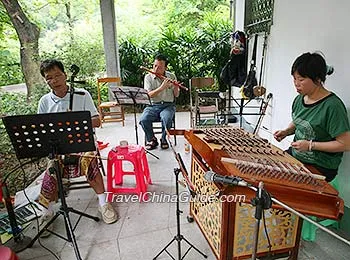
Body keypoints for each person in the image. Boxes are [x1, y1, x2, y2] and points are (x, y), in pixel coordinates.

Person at [37, 59, 118, 235]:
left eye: (58, 75)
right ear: (45, 80)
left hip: (82, 142)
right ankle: (47, 211)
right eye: (49, 78)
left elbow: (97, 120)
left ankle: (103, 202)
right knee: (52, 168)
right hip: (59, 146)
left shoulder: (82, 94)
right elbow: (41, 129)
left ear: (65, 75)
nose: (55, 80)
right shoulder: (44, 101)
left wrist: (75, 122)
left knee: (89, 160)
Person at [274, 52, 350, 182]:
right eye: (294, 79)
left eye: (301, 79)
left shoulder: (332, 106)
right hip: (296, 155)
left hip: (321, 165)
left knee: (287, 189)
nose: (296, 84)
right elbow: (300, 120)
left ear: (318, 79)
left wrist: (310, 145)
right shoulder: (299, 99)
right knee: (268, 172)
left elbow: (346, 144)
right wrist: (286, 131)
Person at [139, 54, 180, 150]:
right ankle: (152, 139)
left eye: (160, 67)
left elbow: (176, 95)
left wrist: (176, 87)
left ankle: (163, 139)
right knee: (143, 120)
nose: (156, 69)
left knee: (167, 119)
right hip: (152, 105)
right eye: (154, 66)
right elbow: (148, 95)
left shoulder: (171, 76)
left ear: (165, 68)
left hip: (168, 105)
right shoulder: (148, 77)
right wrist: (162, 88)